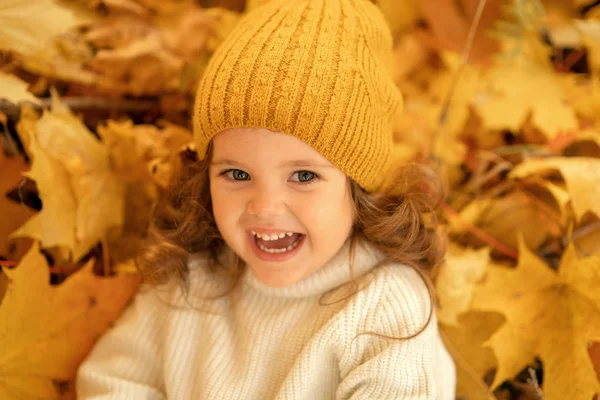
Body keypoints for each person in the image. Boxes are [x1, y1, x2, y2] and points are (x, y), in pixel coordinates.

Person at [76, 0, 457, 398]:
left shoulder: (385, 306)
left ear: (359, 184)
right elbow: (114, 382)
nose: (264, 206)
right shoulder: (192, 276)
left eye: (304, 176)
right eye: (237, 174)